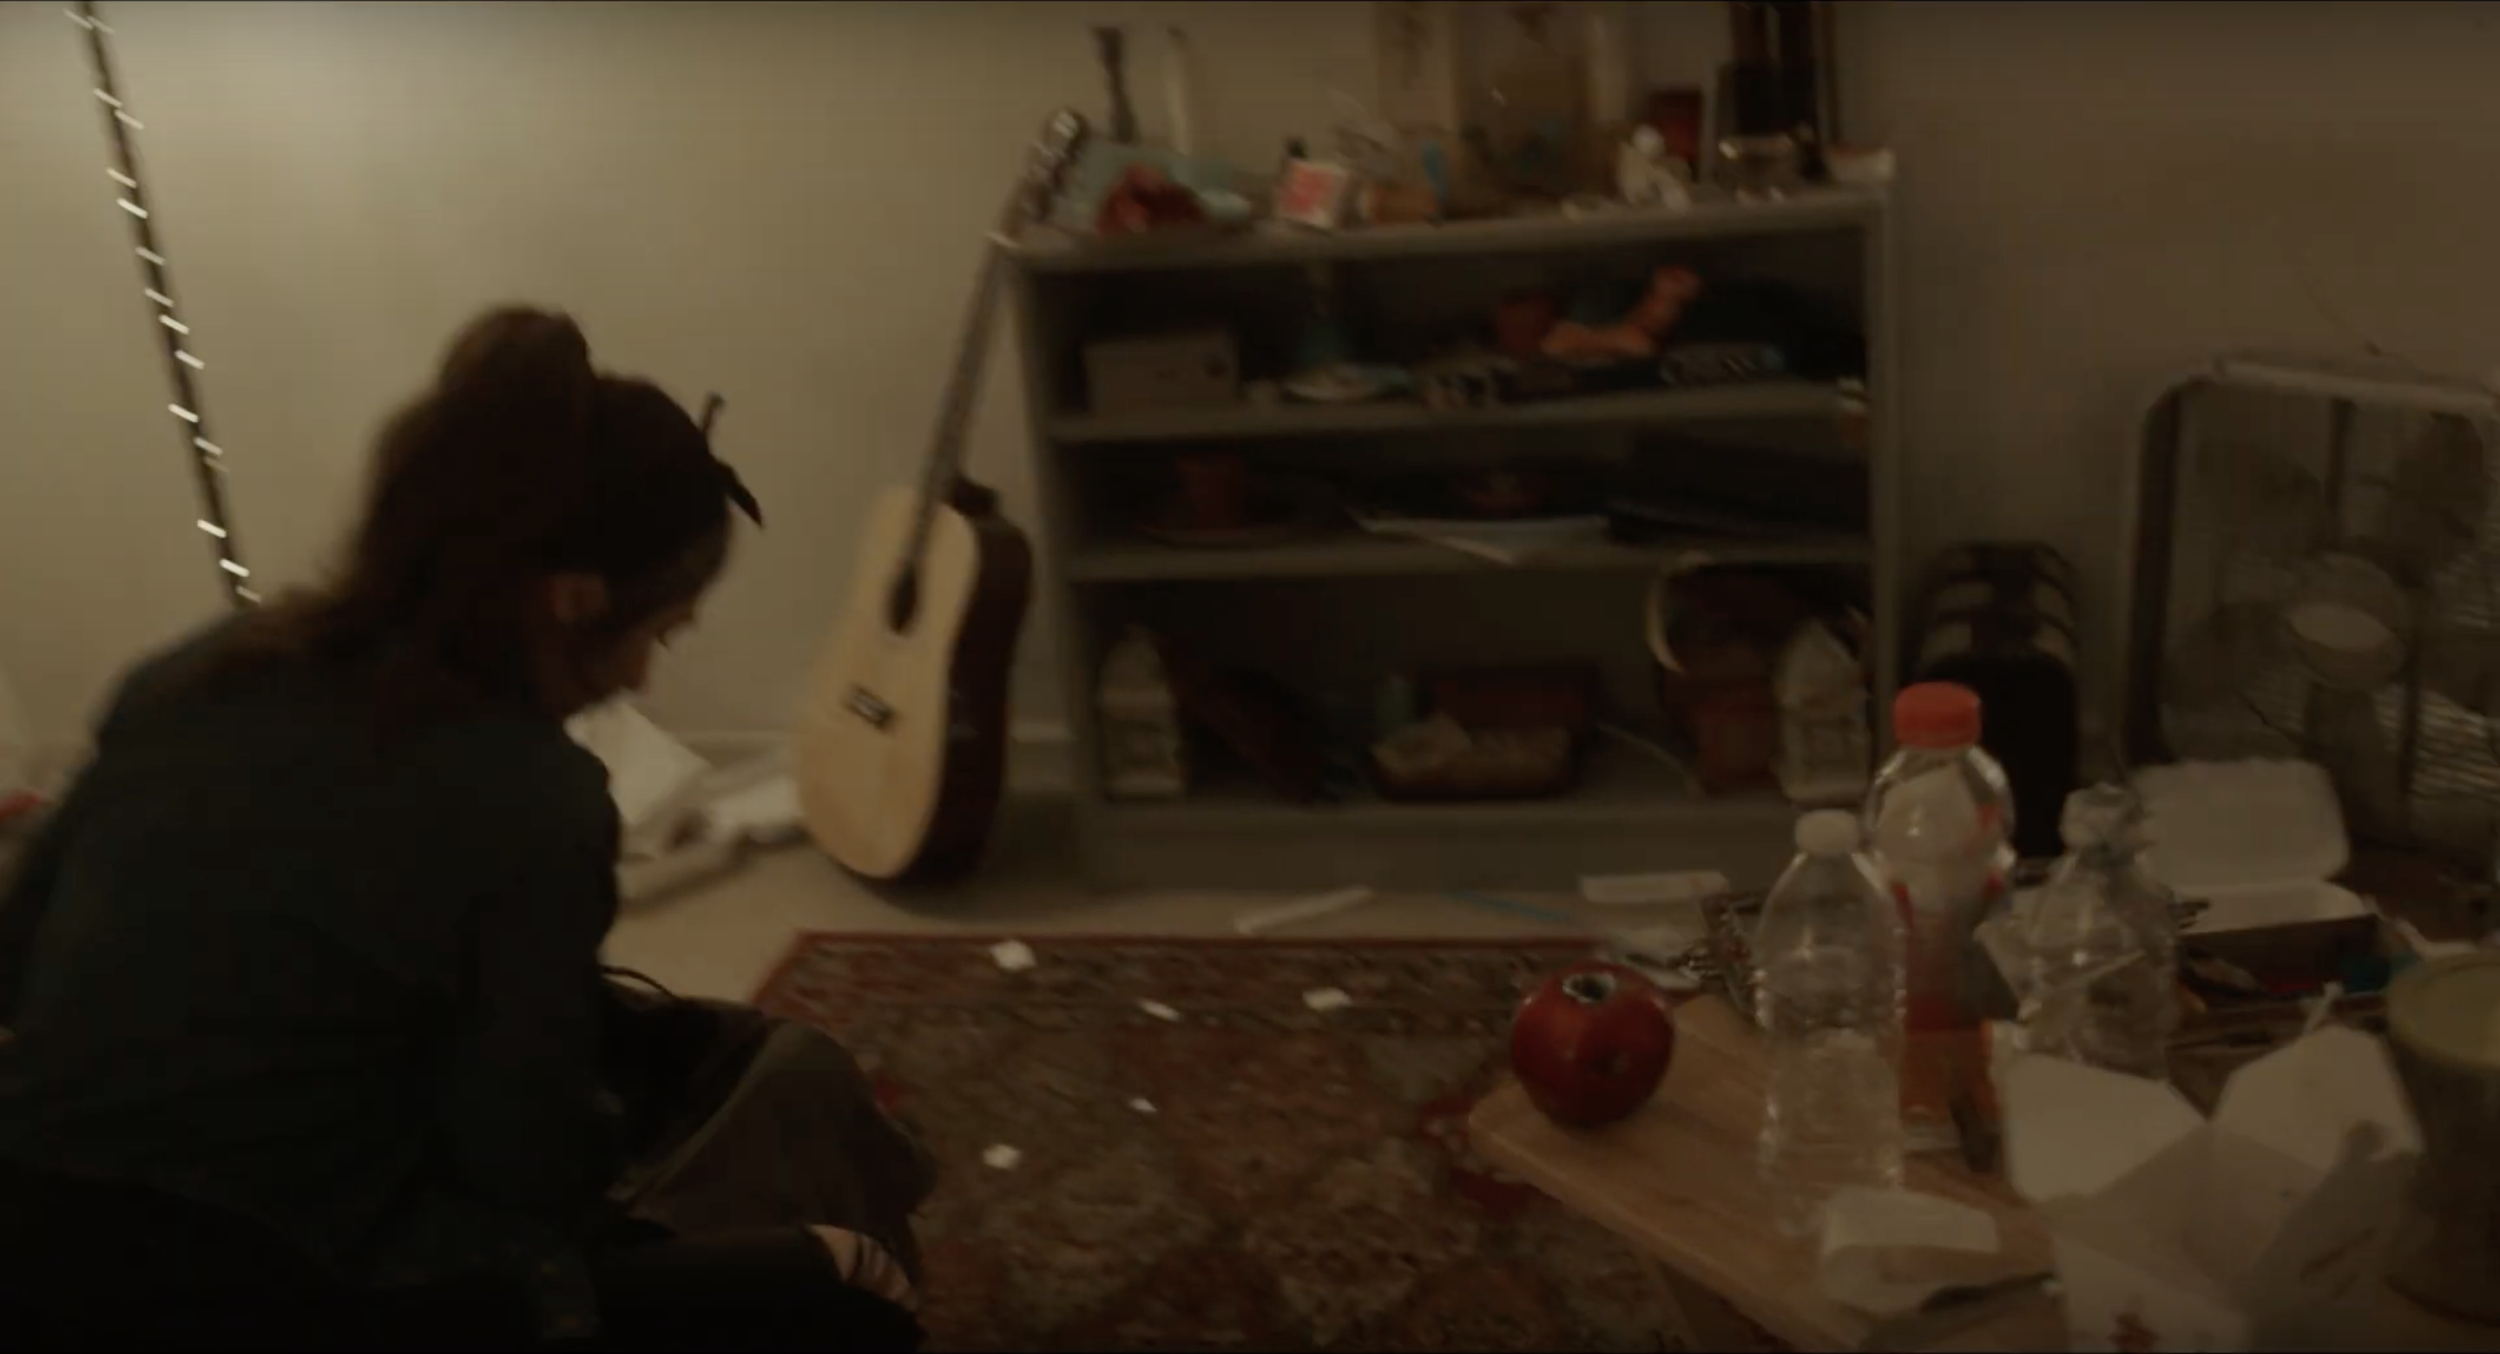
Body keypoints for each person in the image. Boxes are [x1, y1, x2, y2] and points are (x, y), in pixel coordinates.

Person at [0, 308, 924, 1351]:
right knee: (850, 1284)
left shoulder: (196, 668)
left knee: (734, 1053)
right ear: (573, 600)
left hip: (31, 1241)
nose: (644, 676)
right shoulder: (532, 794)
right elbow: (526, 1170)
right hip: (286, 1287)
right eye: (656, 632)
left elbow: (18, 951)